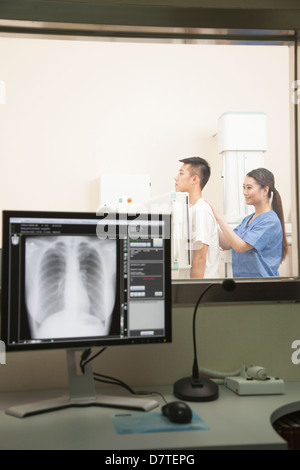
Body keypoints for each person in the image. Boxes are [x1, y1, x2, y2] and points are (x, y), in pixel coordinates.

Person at [208, 167, 288, 277]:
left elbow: (240, 247)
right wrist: (210, 220)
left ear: (265, 190)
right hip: (245, 286)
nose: (245, 192)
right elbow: (227, 244)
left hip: (263, 287)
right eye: (243, 187)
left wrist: (219, 218)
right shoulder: (248, 219)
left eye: (249, 188)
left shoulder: (270, 222)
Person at [175, 156, 220, 278]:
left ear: (195, 179)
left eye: (181, 174)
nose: (176, 178)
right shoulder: (189, 209)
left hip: (203, 289)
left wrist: (193, 293)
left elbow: (200, 258)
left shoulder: (201, 210)